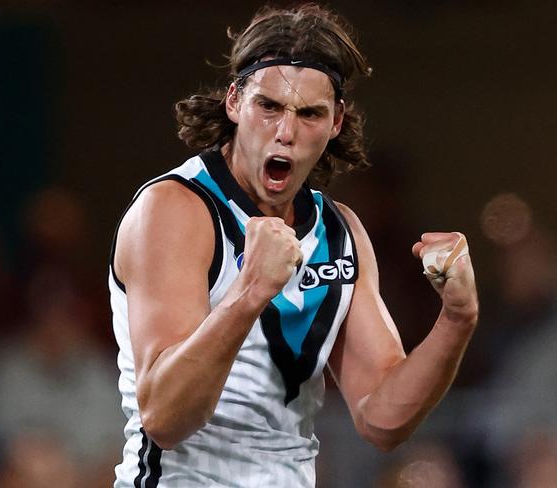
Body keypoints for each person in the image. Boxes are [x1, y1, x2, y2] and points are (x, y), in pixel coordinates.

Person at [108, 4, 478, 487]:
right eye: (269, 106)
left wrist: (456, 319)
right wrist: (250, 291)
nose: (286, 132)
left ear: (337, 121)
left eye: (309, 114)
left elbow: (381, 419)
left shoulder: (341, 231)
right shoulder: (176, 210)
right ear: (235, 101)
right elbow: (165, 418)